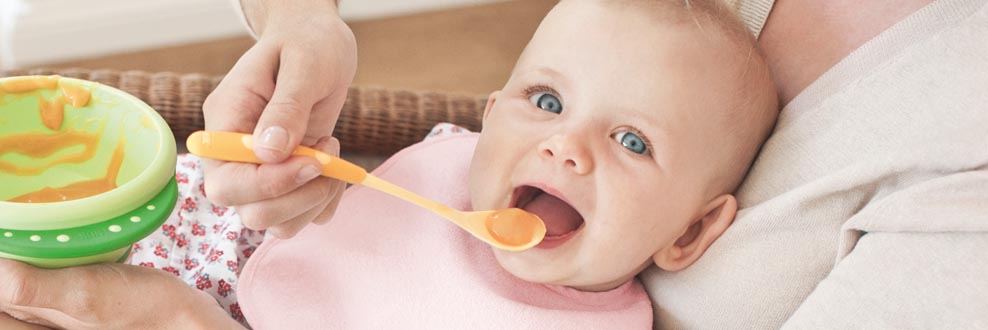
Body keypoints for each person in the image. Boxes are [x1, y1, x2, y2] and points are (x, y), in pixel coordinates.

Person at [0, 0, 779, 328]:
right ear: (493, 105)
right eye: (545, 101)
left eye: (633, 142)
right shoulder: (442, 163)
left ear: (691, 232)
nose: (564, 145)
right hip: (186, 249)